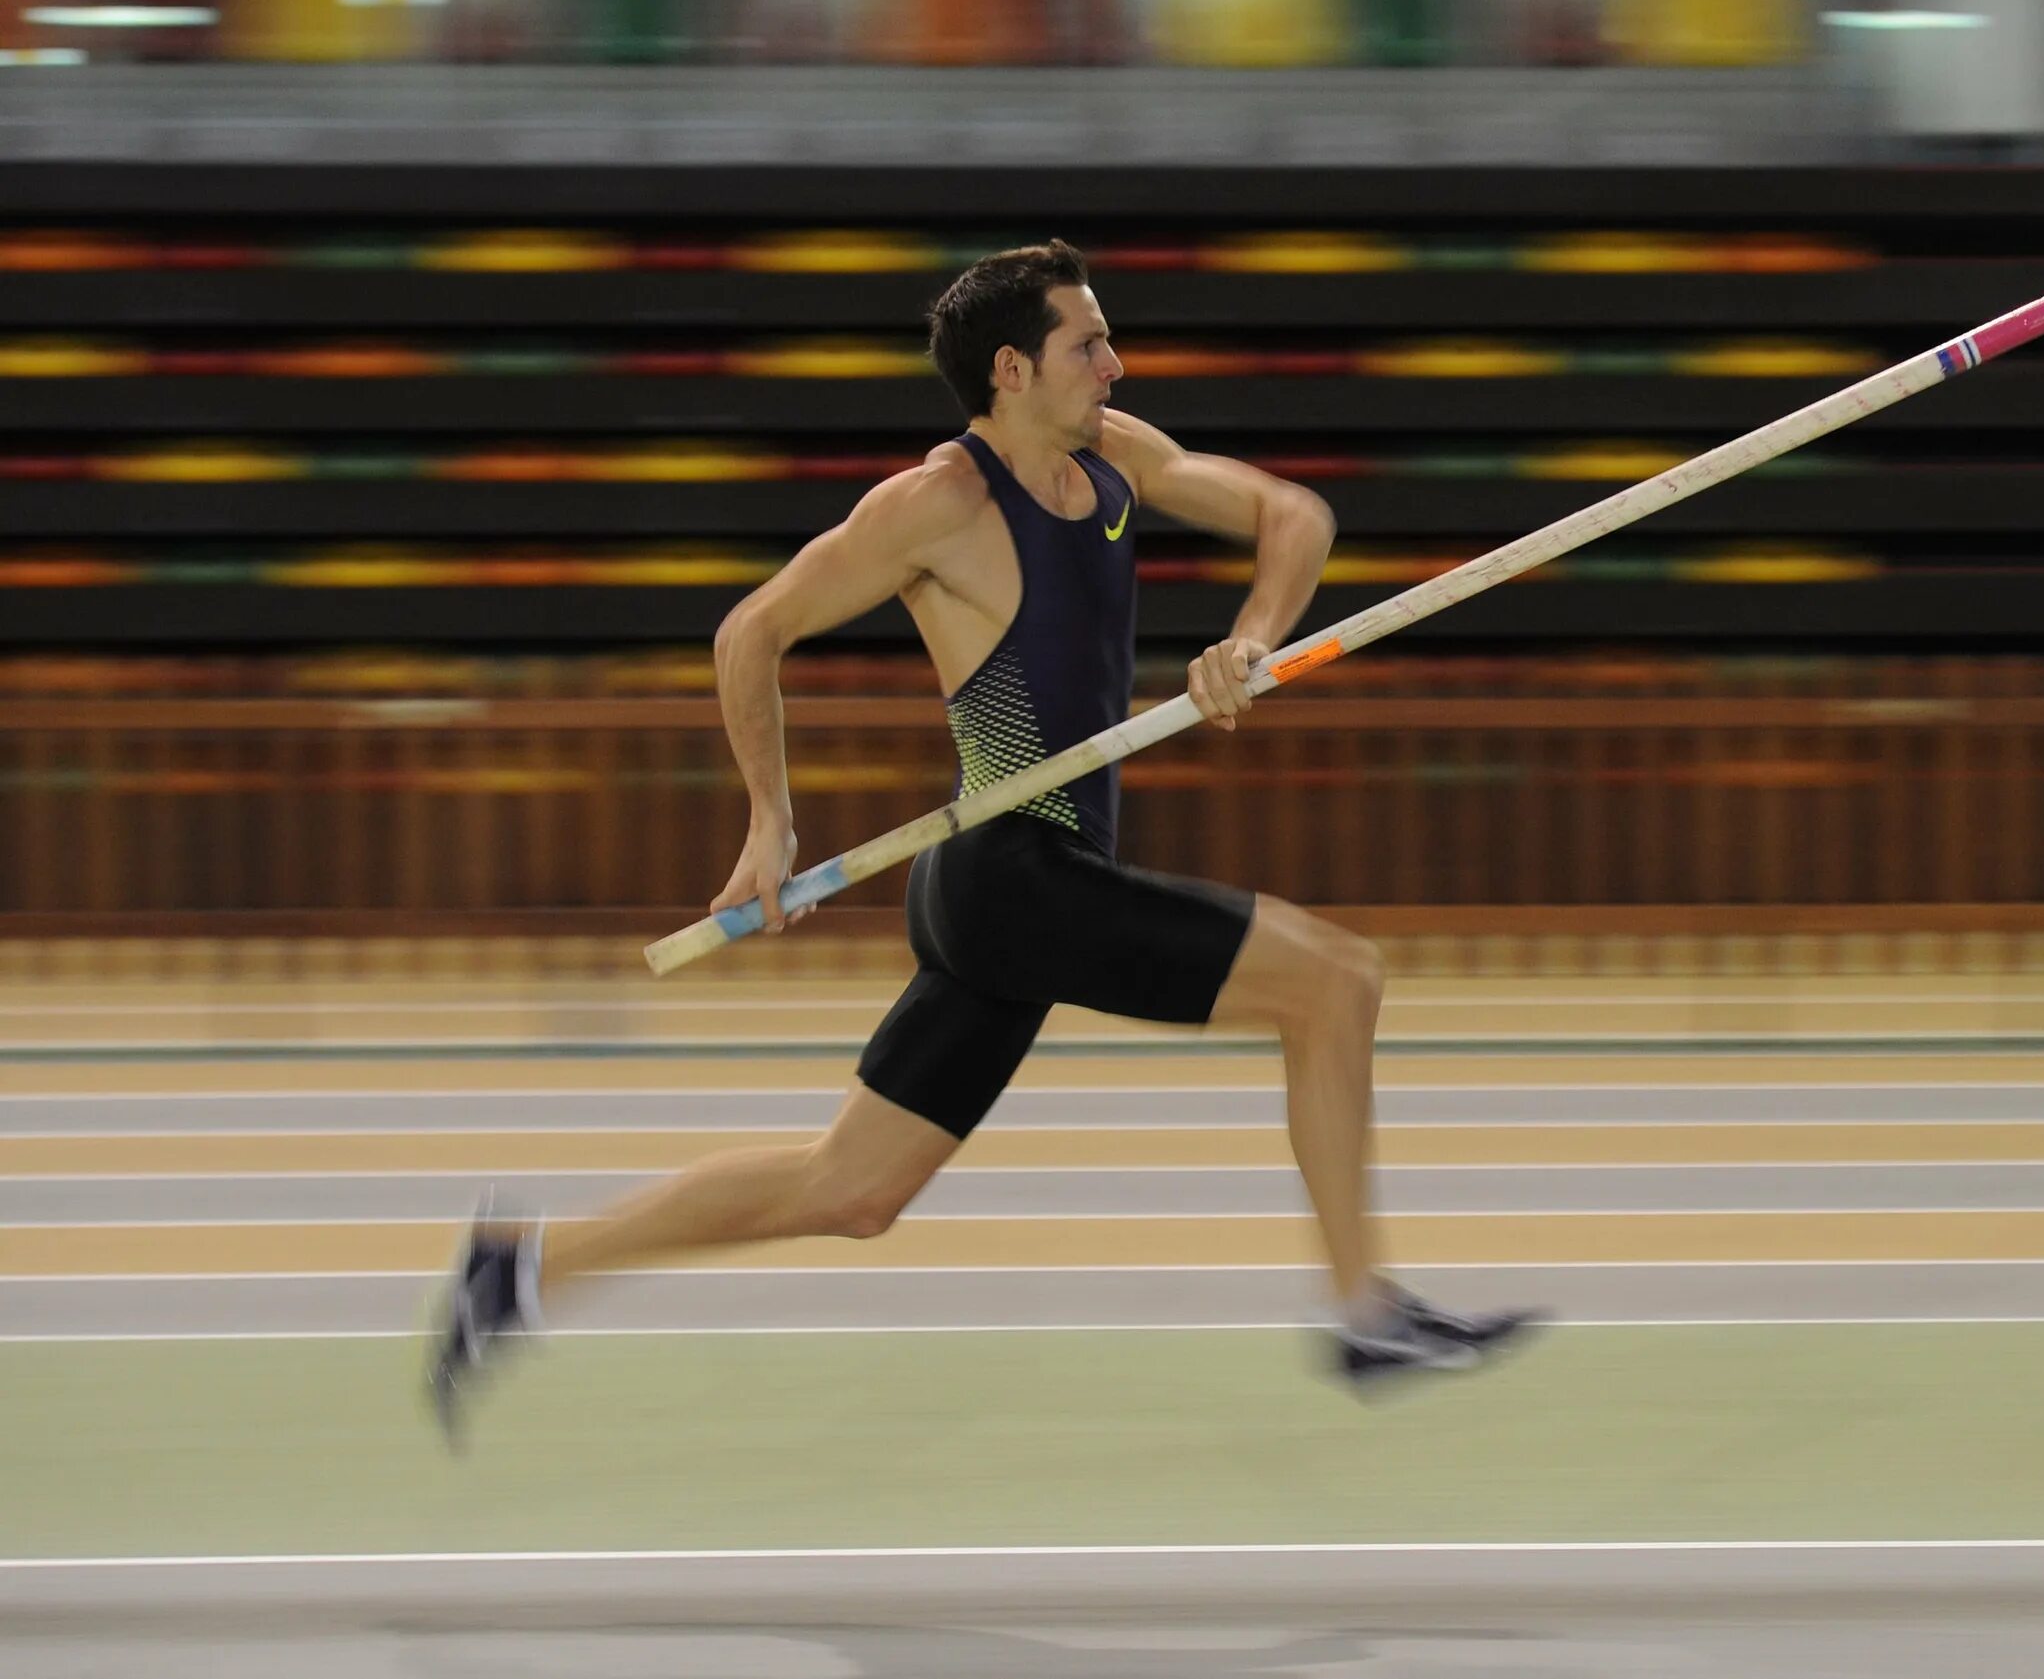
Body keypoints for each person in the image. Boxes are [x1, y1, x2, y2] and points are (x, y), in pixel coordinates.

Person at [426, 240, 1537, 1442]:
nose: (1116, 363)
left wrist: (1250, 641)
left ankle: (524, 1269)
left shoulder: (1113, 455)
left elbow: (1293, 513)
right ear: (1012, 370)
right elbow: (750, 632)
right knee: (1337, 983)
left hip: (1016, 891)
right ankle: (1363, 1311)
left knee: (849, 1193)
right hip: (1016, 873)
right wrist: (770, 825)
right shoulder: (937, 504)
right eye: (1087, 345)